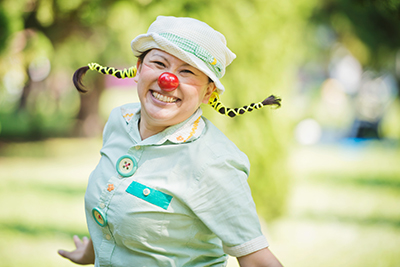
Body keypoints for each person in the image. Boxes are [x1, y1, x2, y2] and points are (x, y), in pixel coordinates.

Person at [58, 16, 283, 267]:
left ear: (208, 92)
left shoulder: (213, 162)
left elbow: (257, 259)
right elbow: (119, 202)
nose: (168, 80)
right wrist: (92, 251)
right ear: (139, 68)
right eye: (159, 63)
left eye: (186, 71)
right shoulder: (119, 121)